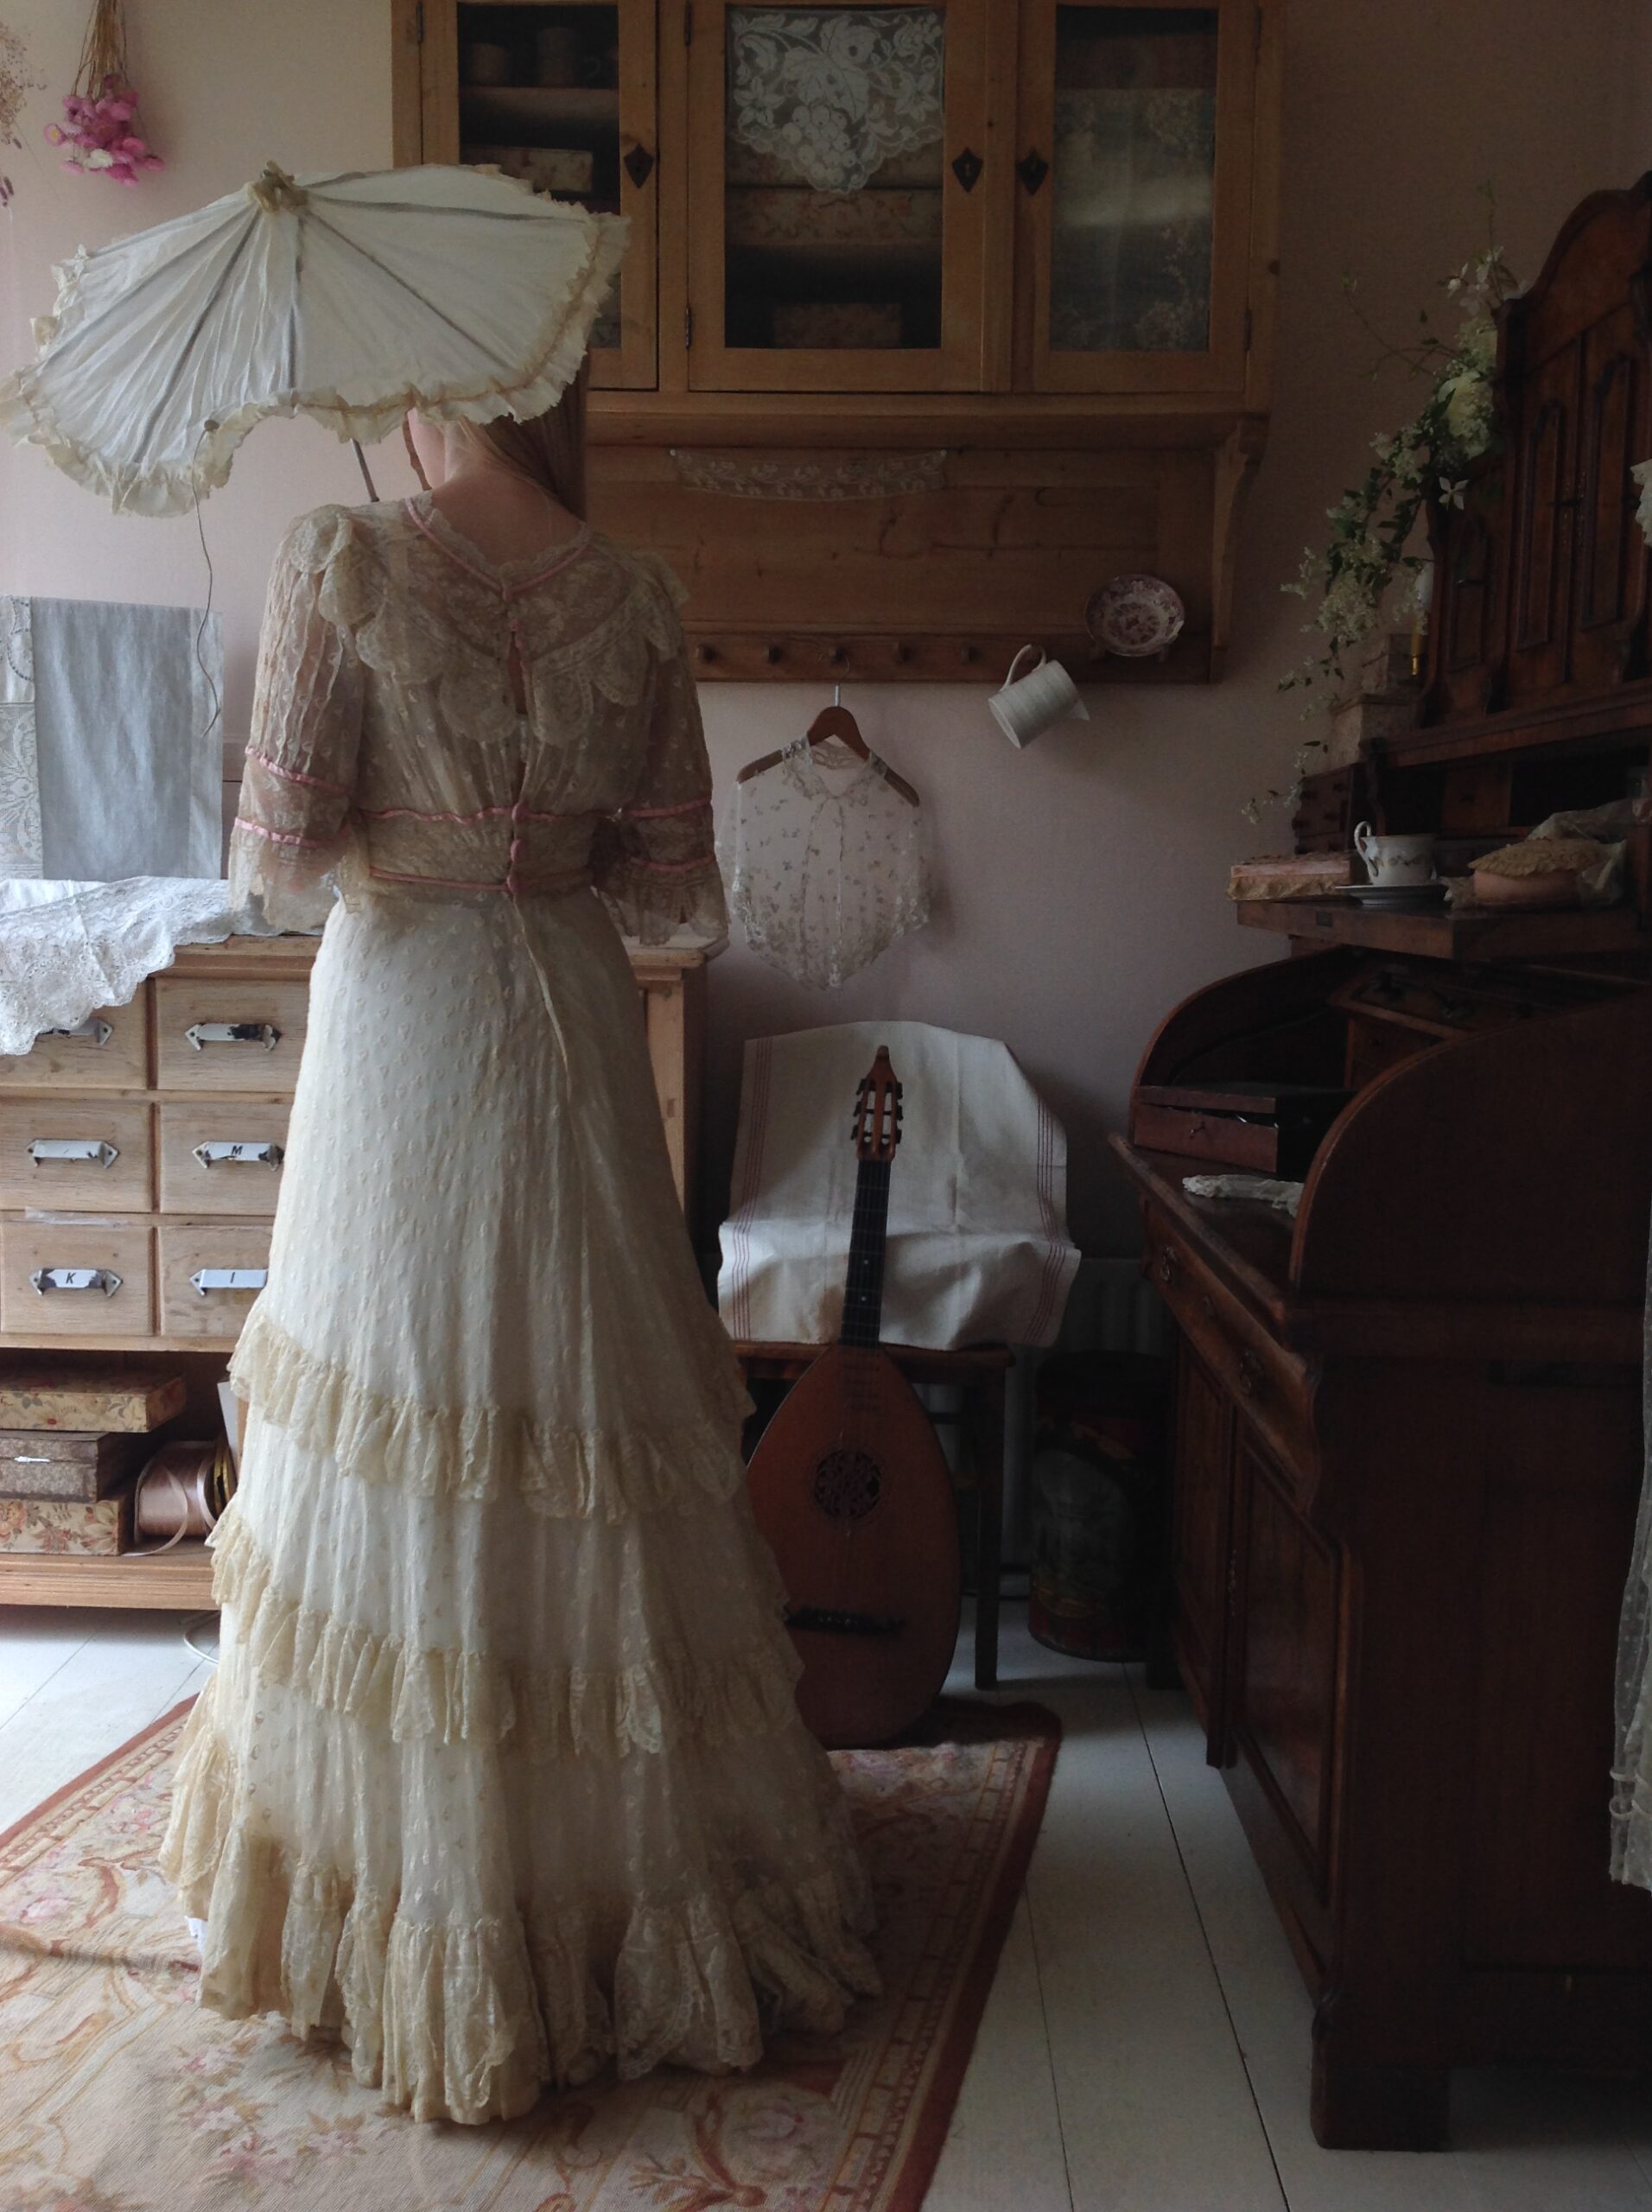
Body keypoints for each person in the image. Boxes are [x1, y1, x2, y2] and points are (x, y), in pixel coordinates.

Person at [159, 360, 879, 2125]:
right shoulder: (629, 588)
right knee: (574, 1402)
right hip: (560, 996)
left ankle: (426, 1889)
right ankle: (616, 1884)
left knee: (409, 1388)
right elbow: (663, 881)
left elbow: (274, 849)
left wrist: (371, 797)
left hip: (403, 1011)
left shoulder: (339, 557)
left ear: (416, 388)